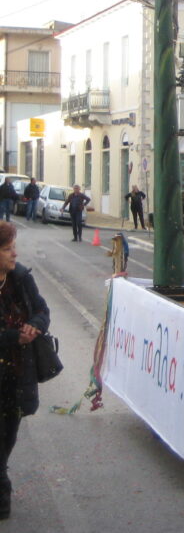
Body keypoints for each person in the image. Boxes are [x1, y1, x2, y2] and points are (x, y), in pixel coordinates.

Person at [0, 221, 50, 518]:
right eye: (7, 249)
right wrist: (12, 336)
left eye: (13, 247)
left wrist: (35, 326)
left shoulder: (20, 279)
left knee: (6, 439)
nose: (14, 254)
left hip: (15, 379)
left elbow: (43, 310)